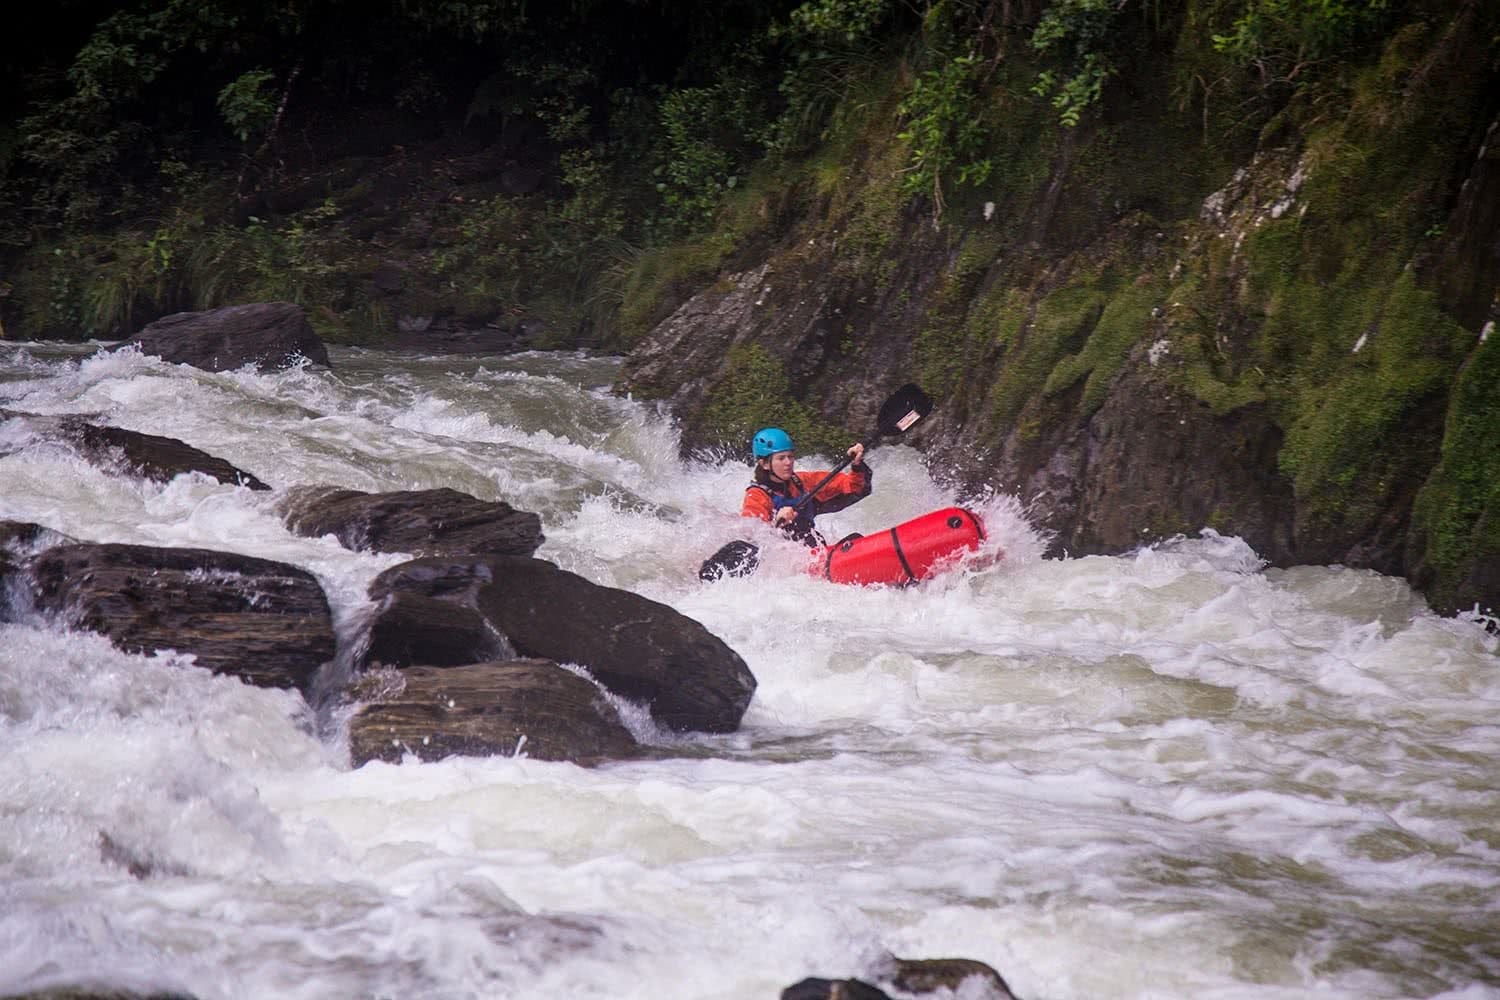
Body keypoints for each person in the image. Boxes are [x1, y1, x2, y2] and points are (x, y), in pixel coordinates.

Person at [741, 427, 871, 547]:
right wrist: (776, 522)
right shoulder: (756, 496)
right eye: (781, 458)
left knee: (857, 540)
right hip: (785, 560)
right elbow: (753, 537)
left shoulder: (802, 481)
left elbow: (852, 487)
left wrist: (856, 464)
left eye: (790, 456)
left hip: (813, 550)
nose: (788, 462)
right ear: (764, 464)